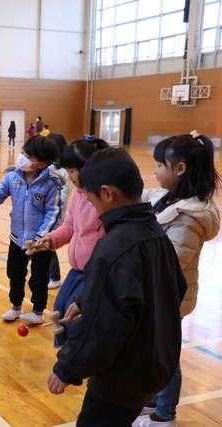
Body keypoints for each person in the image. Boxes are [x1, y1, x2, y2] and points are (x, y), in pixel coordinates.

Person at [47, 149, 187, 427]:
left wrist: (67, 367)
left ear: (107, 193)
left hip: (123, 376)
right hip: (154, 367)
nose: (92, 207)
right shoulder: (155, 232)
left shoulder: (113, 246)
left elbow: (104, 324)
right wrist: (88, 298)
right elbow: (173, 289)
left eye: (91, 199)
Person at [132, 132, 220, 427]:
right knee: (154, 350)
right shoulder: (164, 197)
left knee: (167, 354)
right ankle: (154, 399)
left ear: (180, 169)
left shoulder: (188, 215)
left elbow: (169, 262)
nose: (155, 171)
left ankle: (164, 414)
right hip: (155, 293)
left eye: (160, 165)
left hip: (170, 296)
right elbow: (137, 199)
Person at [0, 135, 63, 323]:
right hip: (17, 237)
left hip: (41, 241)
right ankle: (16, 306)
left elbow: (53, 213)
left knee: (39, 278)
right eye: (23, 153)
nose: (22, 157)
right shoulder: (12, 176)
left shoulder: (52, 184)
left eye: (29, 156)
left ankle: (38, 311)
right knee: (14, 273)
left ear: (43, 163)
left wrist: (41, 238)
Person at [32, 137, 110, 347]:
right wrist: (49, 240)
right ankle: (68, 355)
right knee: (59, 307)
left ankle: (80, 357)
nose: (70, 176)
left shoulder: (103, 197)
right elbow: (69, 227)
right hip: (77, 269)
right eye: (68, 170)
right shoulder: (77, 194)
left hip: (95, 272)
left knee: (75, 314)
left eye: (73, 171)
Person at [43, 133, 72, 291]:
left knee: (48, 243)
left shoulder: (65, 169)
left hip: (56, 211)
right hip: (45, 209)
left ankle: (55, 277)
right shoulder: (49, 165)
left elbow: (64, 191)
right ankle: (44, 274)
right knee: (39, 242)